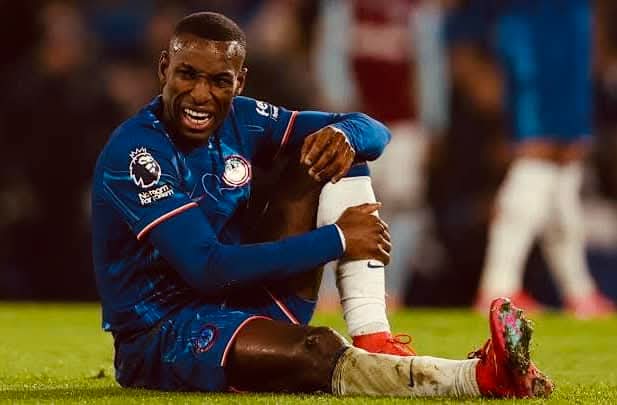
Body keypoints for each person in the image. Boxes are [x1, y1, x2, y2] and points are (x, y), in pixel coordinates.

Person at [91, 12, 553, 397]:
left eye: (219, 81)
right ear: (164, 69)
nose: (200, 94)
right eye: (187, 74)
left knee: (334, 147)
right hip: (163, 337)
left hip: (240, 303)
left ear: (239, 82)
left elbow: (371, 130)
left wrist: (345, 135)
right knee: (317, 349)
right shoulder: (137, 154)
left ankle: (374, 335)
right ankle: (479, 378)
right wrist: (337, 239)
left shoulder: (242, 119)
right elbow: (207, 268)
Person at [447, 0, 617, 318]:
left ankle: (578, 291)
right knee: (539, 152)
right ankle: (497, 285)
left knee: (564, 168)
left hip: (569, 30)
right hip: (538, 30)